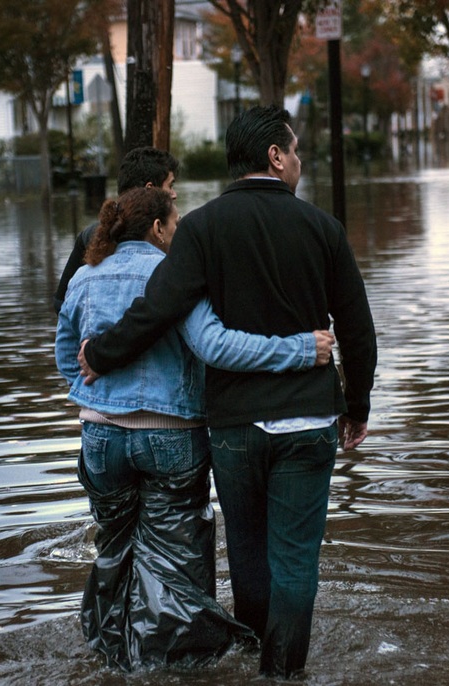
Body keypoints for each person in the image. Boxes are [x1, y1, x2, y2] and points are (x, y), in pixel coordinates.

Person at [77, 105, 377, 679]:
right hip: (309, 420)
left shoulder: (203, 228)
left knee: (248, 556)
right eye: (295, 151)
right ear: (274, 156)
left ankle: (247, 660)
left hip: (234, 426)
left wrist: (102, 353)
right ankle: (281, 673)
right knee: (295, 561)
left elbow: (159, 306)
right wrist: (356, 406)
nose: (299, 162)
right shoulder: (323, 228)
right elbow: (358, 334)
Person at [55, 185, 336, 671]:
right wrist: (301, 350)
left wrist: (100, 399)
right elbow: (213, 347)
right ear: (159, 228)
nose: (181, 231)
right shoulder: (174, 274)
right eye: (177, 222)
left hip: (99, 439)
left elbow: (65, 356)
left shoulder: (84, 274)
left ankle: (113, 657)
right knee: (177, 568)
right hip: (169, 436)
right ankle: (177, 668)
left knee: (115, 550)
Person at [53, 146, 179, 313]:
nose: (174, 194)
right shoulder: (172, 235)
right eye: (170, 185)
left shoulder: (93, 234)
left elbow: (61, 303)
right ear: (150, 189)